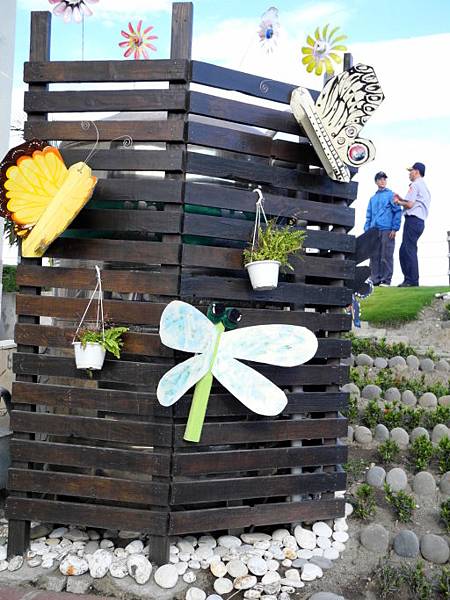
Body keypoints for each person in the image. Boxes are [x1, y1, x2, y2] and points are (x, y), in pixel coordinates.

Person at [394, 162, 431, 287]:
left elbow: (410, 205)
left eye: (411, 171)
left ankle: (412, 281)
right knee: (405, 250)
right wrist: (402, 199)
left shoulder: (415, 185)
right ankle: (409, 279)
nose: (409, 173)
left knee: (408, 250)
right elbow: (413, 202)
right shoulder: (424, 186)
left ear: (416, 171)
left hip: (413, 220)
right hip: (419, 221)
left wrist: (398, 202)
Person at [364, 171, 401, 286]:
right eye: (380, 179)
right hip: (374, 231)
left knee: (386, 255)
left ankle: (386, 280)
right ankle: (374, 280)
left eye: (384, 179)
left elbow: (398, 211)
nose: (383, 181)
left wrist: (394, 228)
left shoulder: (391, 195)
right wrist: (367, 231)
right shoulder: (372, 198)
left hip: (387, 230)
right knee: (374, 256)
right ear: (376, 182)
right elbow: (368, 216)